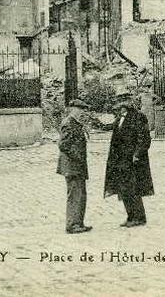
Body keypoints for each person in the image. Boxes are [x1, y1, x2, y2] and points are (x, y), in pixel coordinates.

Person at [104, 89, 154, 227]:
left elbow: (145, 139)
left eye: (123, 101)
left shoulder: (138, 116)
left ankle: (139, 217)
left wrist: (137, 155)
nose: (120, 105)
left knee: (134, 188)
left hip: (133, 160)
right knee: (124, 188)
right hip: (120, 160)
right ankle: (130, 216)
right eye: (119, 102)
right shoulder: (119, 118)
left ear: (128, 102)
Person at [57, 99, 93, 234]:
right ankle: (72, 225)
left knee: (80, 194)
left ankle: (78, 223)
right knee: (74, 195)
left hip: (77, 165)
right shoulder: (68, 123)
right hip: (72, 165)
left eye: (83, 110)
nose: (82, 112)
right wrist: (77, 156)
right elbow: (63, 144)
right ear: (73, 109)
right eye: (80, 109)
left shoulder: (75, 123)